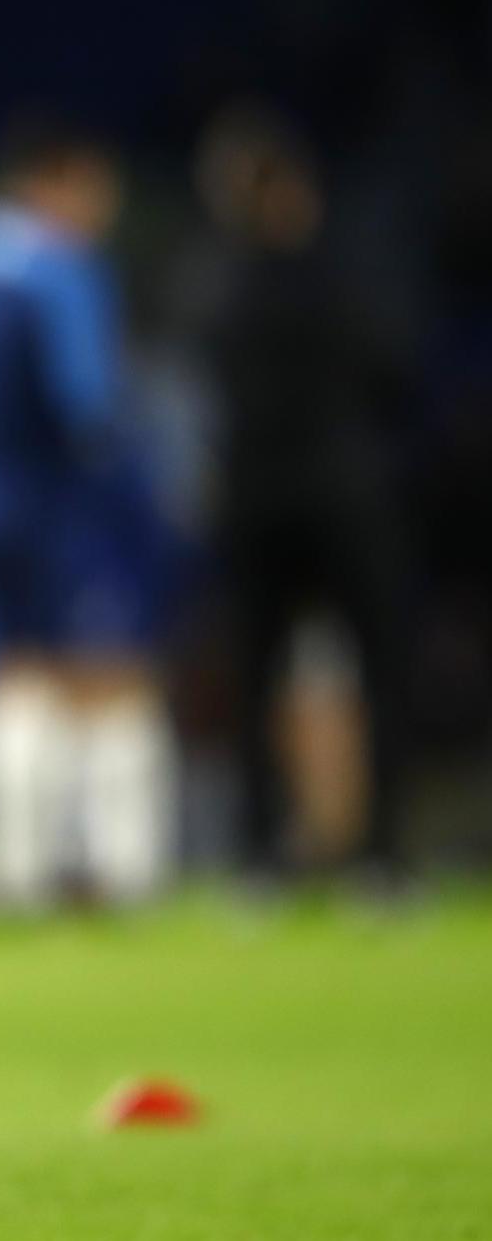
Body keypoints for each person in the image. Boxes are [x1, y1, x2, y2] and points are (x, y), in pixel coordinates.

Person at [0, 118, 174, 909]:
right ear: (60, 179)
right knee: (97, 671)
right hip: (46, 501)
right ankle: (107, 867)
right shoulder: (60, 264)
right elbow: (85, 402)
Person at [192, 102, 413, 881]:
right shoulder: (334, 270)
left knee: (283, 678)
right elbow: (394, 367)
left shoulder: (227, 279)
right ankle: (357, 853)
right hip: (325, 497)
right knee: (345, 673)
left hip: (285, 499)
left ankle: (298, 853)